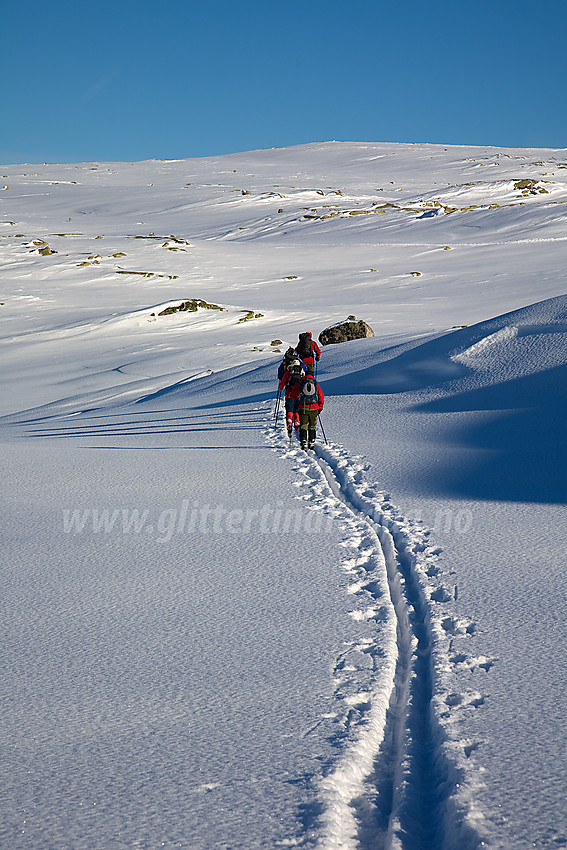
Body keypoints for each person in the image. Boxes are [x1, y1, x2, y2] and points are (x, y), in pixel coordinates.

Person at [297, 371, 324, 450]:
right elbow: (321, 397)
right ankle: (311, 441)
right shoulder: (316, 385)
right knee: (312, 426)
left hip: (303, 408)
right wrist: (320, 407)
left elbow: (294, 395)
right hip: (314, 408)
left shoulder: (301, 384)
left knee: (303, 425)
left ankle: (303, 441)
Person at [278, 359, 305, 437]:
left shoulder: (287, 372)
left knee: (289, 409)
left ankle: (289, 422)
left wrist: (281, 388)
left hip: (289, 394)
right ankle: (297, 422)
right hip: (298, 394)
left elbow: (282, 384)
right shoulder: (302, 372)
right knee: (296, 409)